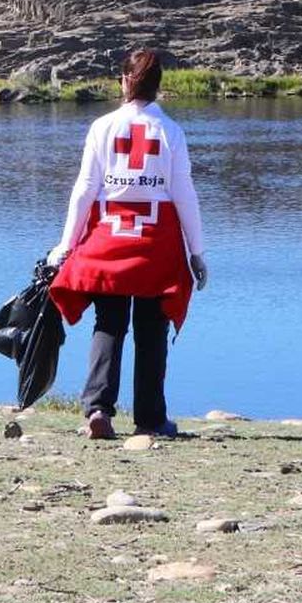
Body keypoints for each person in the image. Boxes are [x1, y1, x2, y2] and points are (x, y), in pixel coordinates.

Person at [47, 49, 208, 439]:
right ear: (158, 87)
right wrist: (197, 252)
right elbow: (184, 193)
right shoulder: (170, 131)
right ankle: (150, 419)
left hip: (110, 238)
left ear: (123, 82)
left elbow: (85, 189)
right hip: (155, 243)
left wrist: (64, 245)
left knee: (109, 322)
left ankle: (97, 408)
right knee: (152, 329)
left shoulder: (102, 127)